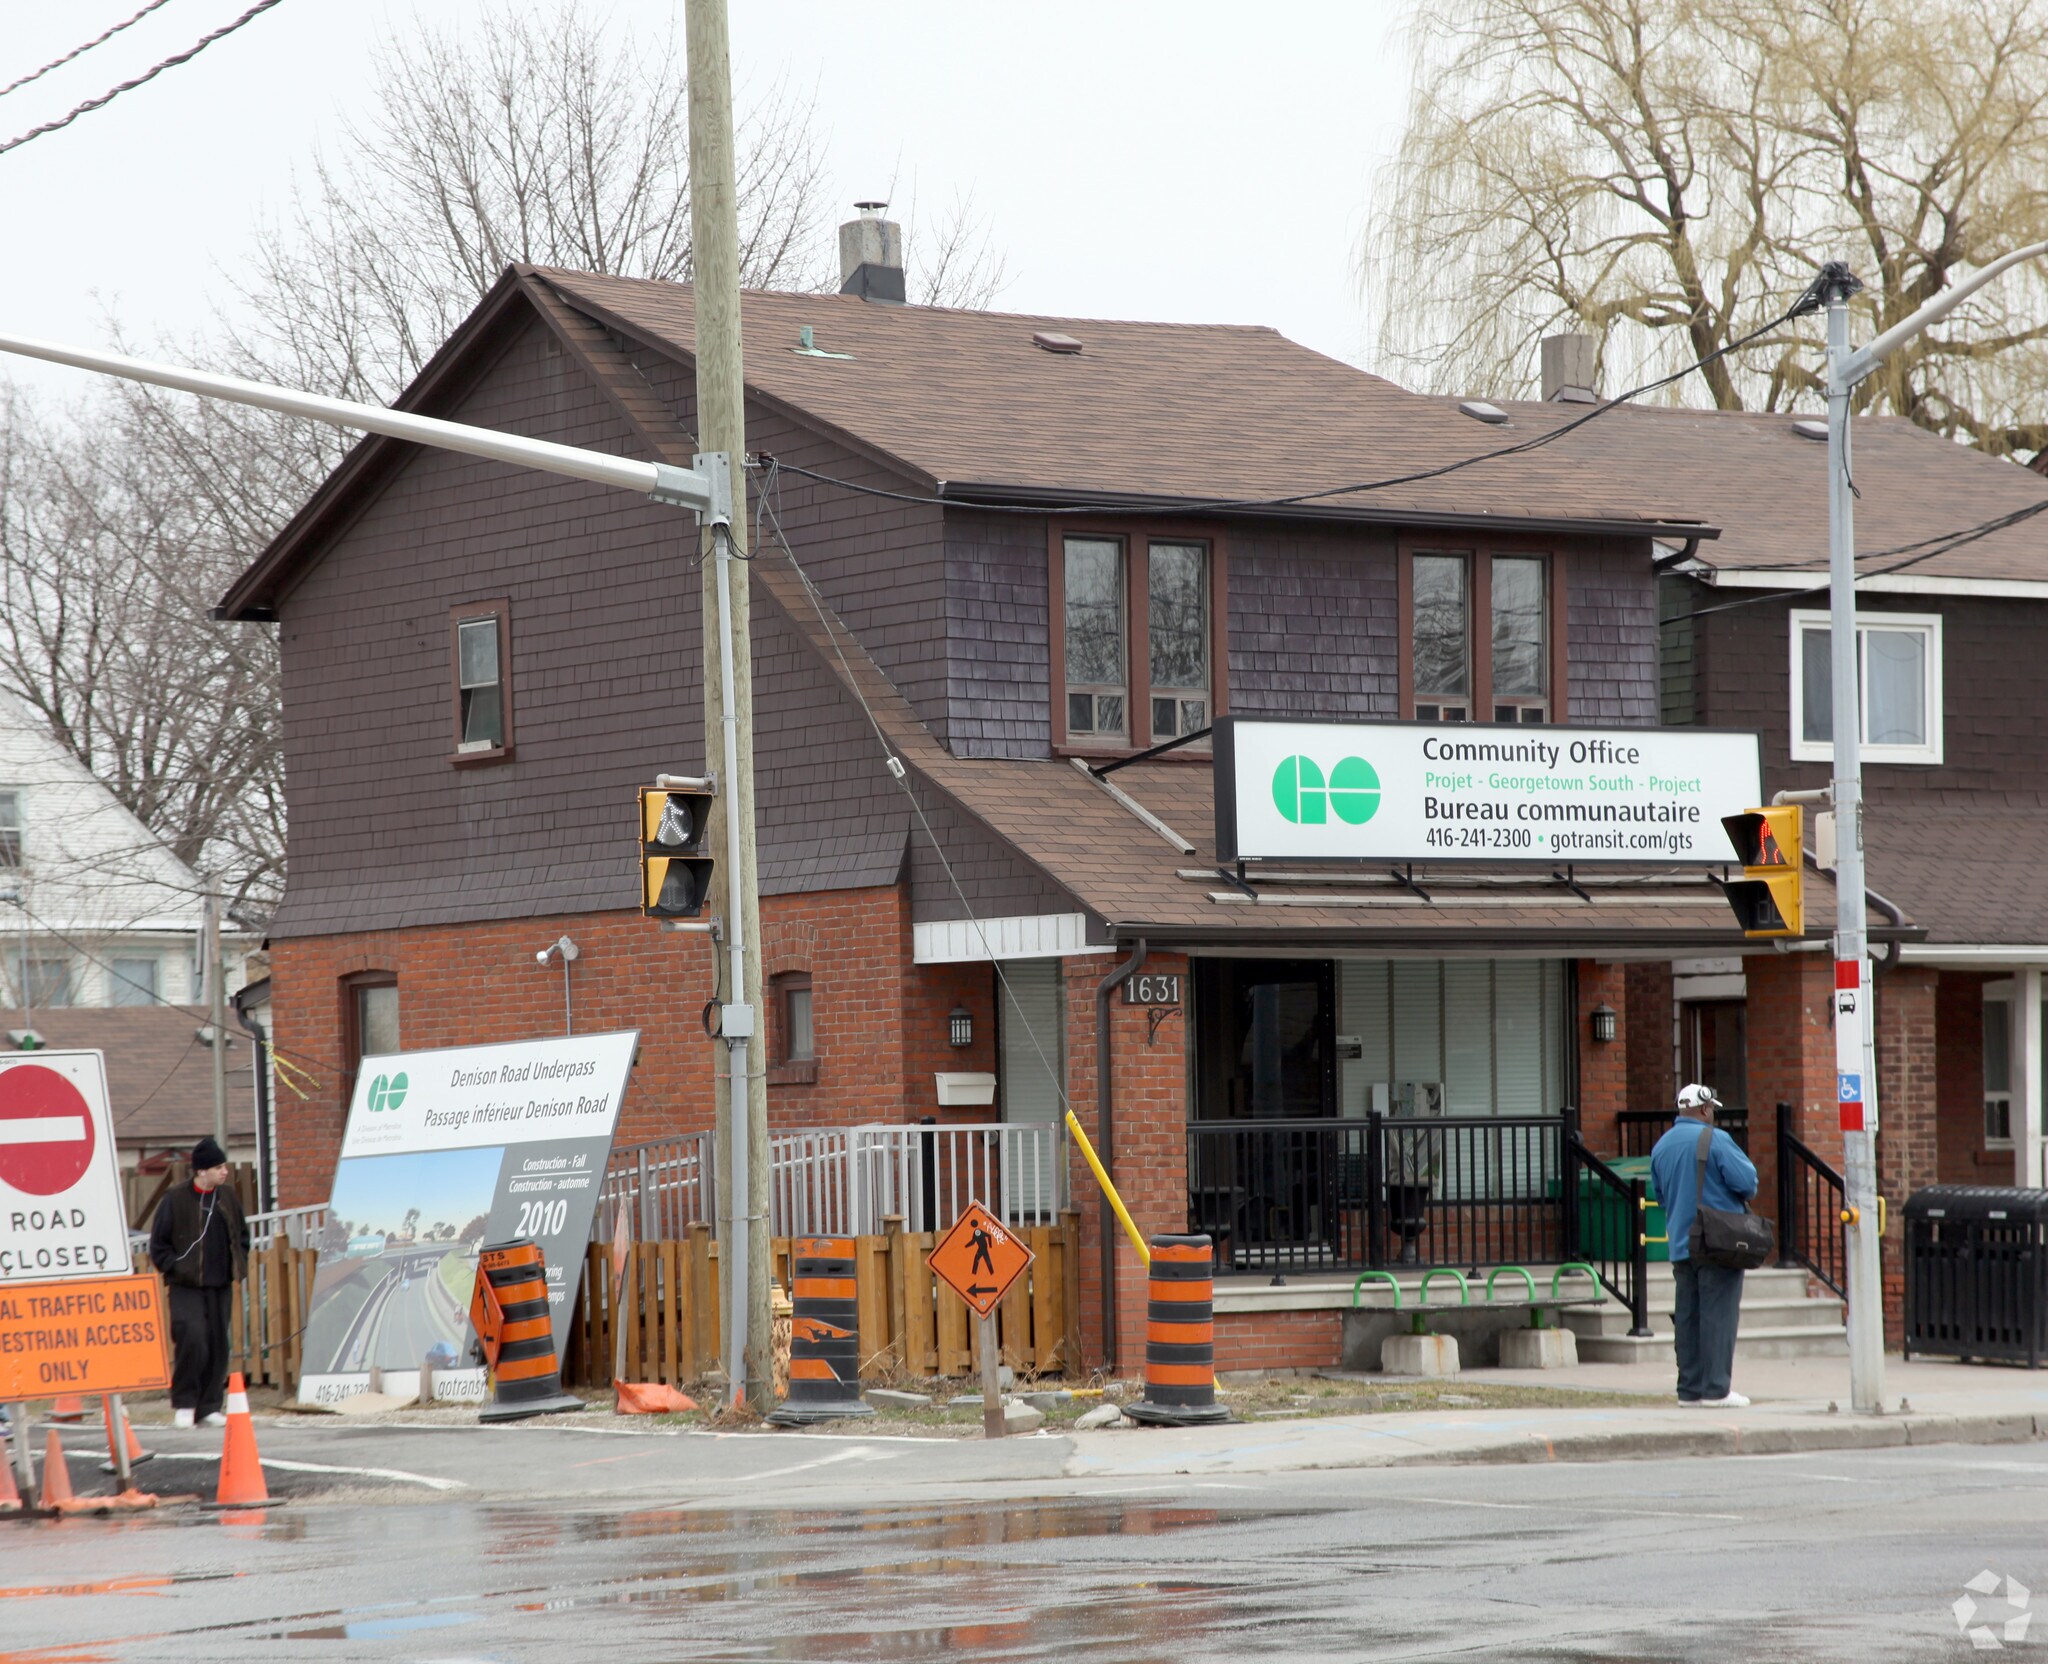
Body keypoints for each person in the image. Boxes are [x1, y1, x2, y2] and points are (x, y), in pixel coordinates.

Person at [1649, 1084, 1760, 1409]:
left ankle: (1689, 1390)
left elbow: (1660, 1197)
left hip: (1681, 1244)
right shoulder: (1716, 1140)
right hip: (1716, 1244)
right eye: (1712, 1108)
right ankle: (1716, 1390)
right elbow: (1748, 1184)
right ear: (1705, 1109)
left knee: (1688, 1317)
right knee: (1718, 1316)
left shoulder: (1661, 1147)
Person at [149, 1137, 250, 1428]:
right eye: (218, 1167)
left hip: (220, 1284)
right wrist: (175, 1267)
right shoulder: (175, 1198)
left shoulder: (227, 1197)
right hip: (185, 1286)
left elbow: (242, 1235)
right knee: (192, 1338)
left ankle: (208, 1406)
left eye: (225, 1166)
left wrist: (238, 1262)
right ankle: (185, 1403)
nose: (224, 1171)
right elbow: (159, 1244)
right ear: (201, 1170)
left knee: (218, 1343)